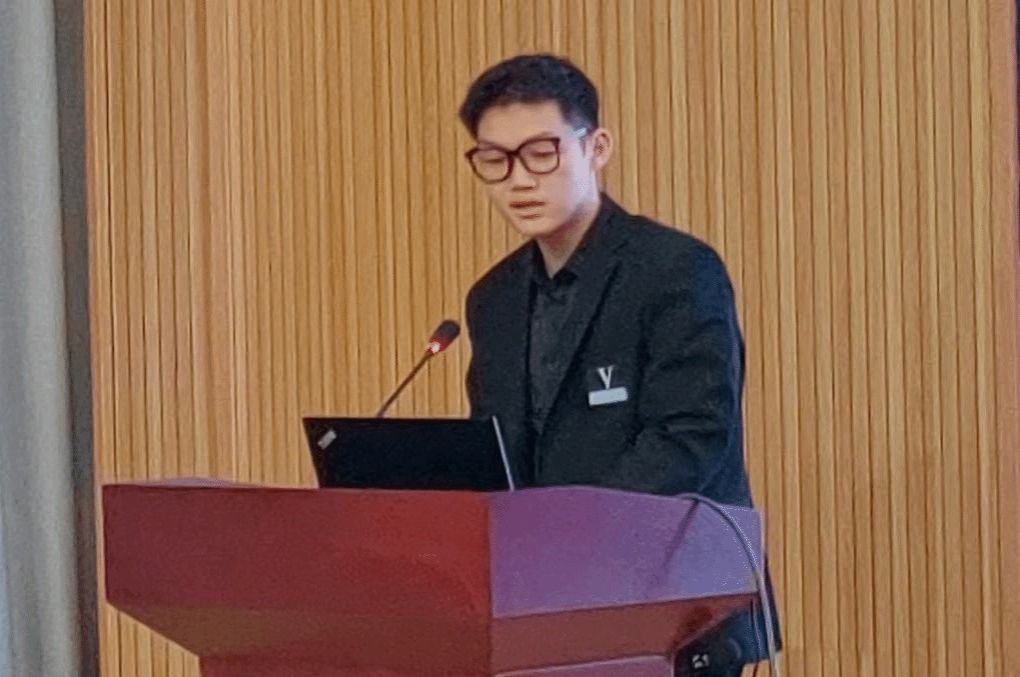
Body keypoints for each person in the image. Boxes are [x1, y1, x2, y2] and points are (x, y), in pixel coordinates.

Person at [459, 54, 781, 676]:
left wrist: (570, 534)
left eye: (541, 153)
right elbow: (496, 453)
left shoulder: (675, 270)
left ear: (596, 147)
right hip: (546, 611)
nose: (519, 180)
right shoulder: (493, 298)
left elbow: (692, 435)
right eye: (495, 160)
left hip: (676, 604)